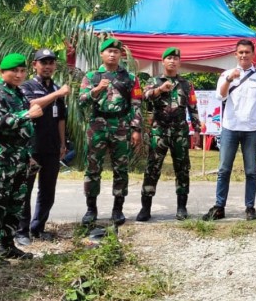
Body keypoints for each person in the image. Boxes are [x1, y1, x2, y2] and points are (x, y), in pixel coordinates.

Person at [0, 53, 43, 263]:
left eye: (22, 71)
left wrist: (28, 155)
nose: (19, 75)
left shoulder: (19, 94)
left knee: (15, 204)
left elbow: (24, 129)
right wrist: (26, 115)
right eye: (14, 71)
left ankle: (7, 245)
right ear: (3, 72)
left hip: (19, 158)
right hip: (1, 159)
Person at [202, 39, 256, 221]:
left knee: (250, 171)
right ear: (235, 54)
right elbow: (220, 95)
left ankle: (250, 207)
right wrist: (229, 79)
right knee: (224, 169)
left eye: (247, 52)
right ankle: (219, 206)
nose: (243, 55)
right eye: (240, 52)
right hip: (230, 128)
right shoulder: (226, 74)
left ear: (253, 54)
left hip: (251, 130)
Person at [78, 38, 142, 226]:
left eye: (116, 51)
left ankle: (118, 209)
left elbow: (136, 104)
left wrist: (136, 128)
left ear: (121, 55)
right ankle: (91, 209)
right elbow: (82, 101)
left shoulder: (130, 78)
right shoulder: (91, 77)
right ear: (102, 54)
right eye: (109, 51)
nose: (113, 54)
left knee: (121, 168)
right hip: (97, 125)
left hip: (121, 125)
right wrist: (97, 90)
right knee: (93, 168)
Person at [136, 47, 201, 222]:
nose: (172, 61)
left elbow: (193, 107)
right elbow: (145, 96)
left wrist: (196, 130)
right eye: (169, 58)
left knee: (182, 169)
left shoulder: (187, 85)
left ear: (179, 62)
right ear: (163, 61)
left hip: (180, 131)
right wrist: (160, 90)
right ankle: (145, 208)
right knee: (152, 168)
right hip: (159, 131)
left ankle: (181, 207)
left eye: (175, 58)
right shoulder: (154, 81)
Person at [15, 48, 70, 246]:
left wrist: (63, 143)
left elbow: (61, 119)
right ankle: (21, 231)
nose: (47, 66)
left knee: (47, 190)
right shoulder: (27, 86)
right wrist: (57, 93)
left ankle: (38, 228)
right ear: (35, 65)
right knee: (25, 189)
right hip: (31, 147)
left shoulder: (55, 87)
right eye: (43, 62)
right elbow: (32, 106)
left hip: (52, 147)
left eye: (51, 63)